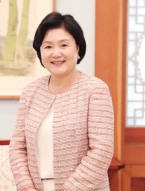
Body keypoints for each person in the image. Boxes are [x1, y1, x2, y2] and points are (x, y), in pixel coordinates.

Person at [9, 12, 114, 191]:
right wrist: (26, 187)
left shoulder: (95, 89)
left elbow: (101, 151)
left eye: (64, 45)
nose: (56, 53)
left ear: (77, 48)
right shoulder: (30, 91)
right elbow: (17, 148)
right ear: (40, 51)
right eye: (48, 47)